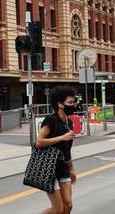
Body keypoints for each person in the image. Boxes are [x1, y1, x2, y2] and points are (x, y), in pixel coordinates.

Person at [36, 86, 77, 214]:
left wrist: (71, 169)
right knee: (58, 210)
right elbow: (39, 142)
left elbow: (67, 149)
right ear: (60, 104)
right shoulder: (51, 120)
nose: (73, 105)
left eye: (74, 102)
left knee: (68, 205)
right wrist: (62, 137)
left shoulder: (69, 123)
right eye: (70, 102)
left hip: (63, 167)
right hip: (49, 167)